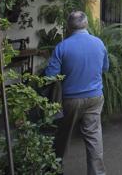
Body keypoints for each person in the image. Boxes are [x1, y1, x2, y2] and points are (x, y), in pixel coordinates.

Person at [45, 11, 109, 175]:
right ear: (86, 24)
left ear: (68, 26)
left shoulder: (62, 47)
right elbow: (105, 68)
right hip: (95, 97)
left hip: (70, 99)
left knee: (63, 136)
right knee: (94, 137)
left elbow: (50, 77)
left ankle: (54, 169)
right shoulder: (99, 43)